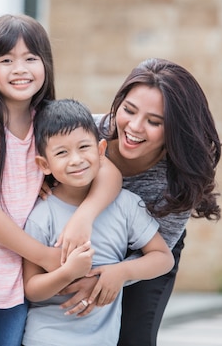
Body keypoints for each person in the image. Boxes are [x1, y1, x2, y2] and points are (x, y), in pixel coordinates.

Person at [0, 15, 120, 346]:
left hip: (15, 268)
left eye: (31, 58)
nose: (20, 69)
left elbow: (108, 170)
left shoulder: (47, 123)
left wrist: (84, 216)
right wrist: (47, 258)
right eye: (7, 60)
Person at [58, 58, 222, 346]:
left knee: (134, 337)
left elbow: (157, 255)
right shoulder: (84, 134)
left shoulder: (180, 177)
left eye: (154, 122)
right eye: (128, 111)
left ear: (175, 127)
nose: (134, 127)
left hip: (147, 250)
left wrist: (116, 274)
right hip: (82, 240)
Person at [22, 98, 174, 346]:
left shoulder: (126, 205)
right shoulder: (41, 215)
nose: (76, 160)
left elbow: (163, 258)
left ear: (101, 150)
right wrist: (67, 273)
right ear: (44, 165)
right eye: (62, 152)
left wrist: (120, 272)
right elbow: (32, 288)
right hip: (46, 337)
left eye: (84, 147)